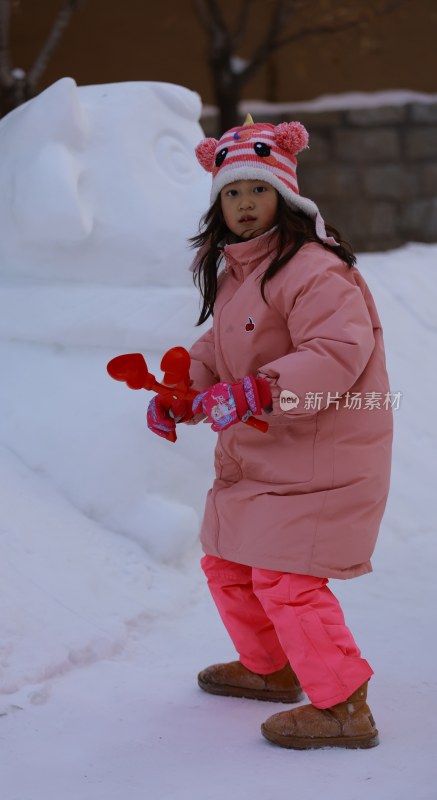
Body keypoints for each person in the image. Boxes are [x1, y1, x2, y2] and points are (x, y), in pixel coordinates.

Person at [146, 115, 393, 750]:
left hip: (321, 456)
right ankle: (271, 667)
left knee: (286, 578)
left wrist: (259, 389)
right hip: (264, 454)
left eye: (257, 190)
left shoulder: (314, 269)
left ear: (285, 196)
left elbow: (339, 349)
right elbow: (219, 347)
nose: (245, 204)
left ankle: (343, 706)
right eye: (232, 193)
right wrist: (184, 393)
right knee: (227, 562)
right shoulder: (239, 274)